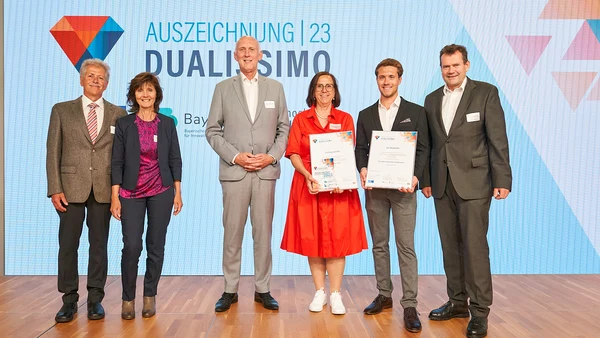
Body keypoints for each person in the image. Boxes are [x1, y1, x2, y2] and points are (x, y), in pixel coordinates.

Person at [421, 44, 512, 338]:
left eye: (456, 65)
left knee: (474, 248)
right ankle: (458, 302)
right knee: (450, 247)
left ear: (467, 65)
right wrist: (426, 179)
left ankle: (480, 311)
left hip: (475, 183)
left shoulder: (485, 93)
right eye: (446, 66)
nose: (451, 71)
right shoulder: (432, 99)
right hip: (442, 184)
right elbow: (430, 145)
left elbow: (497, 139)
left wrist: (503, 179)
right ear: (441, 68)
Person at [205, 36, 290, 312]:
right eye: (242, 50)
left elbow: (284, 129)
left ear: (260, 54)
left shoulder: (275, 88)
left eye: (251, 49)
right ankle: (230, 289)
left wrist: (272, 156)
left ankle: (262, 289)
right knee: (232, 233)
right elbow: (212, 130)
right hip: (234, 172)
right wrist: (235, 155)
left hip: (265, 173)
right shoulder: (222, 88)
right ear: (235, 55)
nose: (247, 53)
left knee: (263, 233)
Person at [46, 58, 126, 323]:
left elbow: (122, 156)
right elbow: (52, 151)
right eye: (90, 76)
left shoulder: (119, 114)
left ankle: (95, 300)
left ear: (106, 83)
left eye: (100, 77)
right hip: (69, 189)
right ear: (81, 80)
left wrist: (120, 192)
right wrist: (54, 188)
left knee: (99, 246)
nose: (95, 80)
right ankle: (68, 300)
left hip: (104, 189)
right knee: (68, 245)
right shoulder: (62, 110)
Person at [281, 72, 368, 315]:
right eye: (319, 86)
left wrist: (341, 178)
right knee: (314, 239)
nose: (324, 90)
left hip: (338, 189)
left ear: (335, 91)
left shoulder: (345, 118)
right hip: (309, 186)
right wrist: (308, 175)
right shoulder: (300, 119)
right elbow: (294, 152)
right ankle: (320, 291)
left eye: (329, 86)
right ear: (313, 90)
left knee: (338, 240)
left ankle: (336, 293)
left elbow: (347, 153)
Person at [355, 58, 429, 333]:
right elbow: (360, 148)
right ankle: (384, 294)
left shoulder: (416, 112)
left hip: (403, 190)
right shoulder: (365, 114)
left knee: (406, 247)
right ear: (377, 80)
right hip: (375, 190)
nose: (386, 81)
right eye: (382, 77)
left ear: (400, 79)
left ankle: (409, 304)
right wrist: (362, 169)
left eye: (391, 77)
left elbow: (422, 149)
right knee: (379, 245)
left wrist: (416, 176)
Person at [110, 72, 183, 320]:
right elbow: (116, 162)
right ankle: (127, 298)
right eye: (140, 90)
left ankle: (149, 296)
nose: (145, 94)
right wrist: (115, 196)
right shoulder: (124, 124)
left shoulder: (167, 123)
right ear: (134, 96)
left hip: (162, 191)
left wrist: (177, 192)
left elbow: (175, 159)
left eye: (150, 90)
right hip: (130, 193)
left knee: (156, 247)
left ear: (156, 95)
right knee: (131, 247)